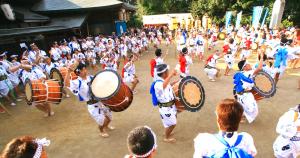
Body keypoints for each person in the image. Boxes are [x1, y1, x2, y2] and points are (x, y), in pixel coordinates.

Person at [67, 63, 114, 138]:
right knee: (101, 120)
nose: (85, 70)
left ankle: (106, 126)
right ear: (79, 72)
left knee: (109, 116)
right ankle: (101, 131)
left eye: (85, 68)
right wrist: (68, 72)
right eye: (83, 69)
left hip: (101, 101)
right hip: (92, 104)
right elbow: (67, 84)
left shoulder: (91, 77)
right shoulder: (77, 82)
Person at [233, 50, 264, 123]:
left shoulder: (240, 73)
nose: (250, 65)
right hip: (245, 94)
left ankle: (240, 116)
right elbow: (259, 68)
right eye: (248, 64)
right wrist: (261, 57)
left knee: (243, 106)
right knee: (253, 108)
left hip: (240, 93)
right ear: (244, 67)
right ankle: (241, 116)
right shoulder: (248, 73)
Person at [150, 64, 178, 143]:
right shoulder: (158, 83)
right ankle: (166, 137)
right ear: (164, 73)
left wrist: (173, 83)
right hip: (165, 108)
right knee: (173, 123)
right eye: (168, 71)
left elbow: (166, 86)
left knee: (171, 121)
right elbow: (162, 86)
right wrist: (172, 75)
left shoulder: (163, 80)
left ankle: (168, 131)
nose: (169, 72)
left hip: (170, 106)